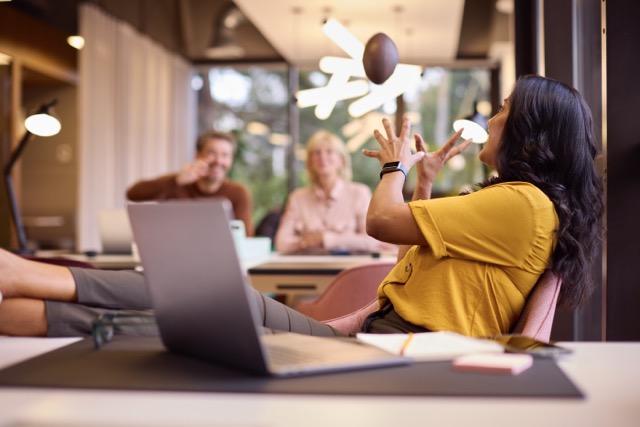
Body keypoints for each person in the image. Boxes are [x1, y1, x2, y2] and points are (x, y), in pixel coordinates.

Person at [0, 75, 602, 338]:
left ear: (528, 132)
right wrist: (423, 185)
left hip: (388, 350)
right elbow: (413, 263)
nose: (490, 117)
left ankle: (23, 280)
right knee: (194, 306)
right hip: (373, 336)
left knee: (205, 299)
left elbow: (379, 223)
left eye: (501, 109)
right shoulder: (520, 206)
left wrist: (394, 166)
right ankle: (23, 307)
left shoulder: (523, 206)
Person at [275, 130, 393, 254]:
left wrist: (324, 239)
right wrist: (306, 242)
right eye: (316, 153)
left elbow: (370, 241)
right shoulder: (297, 197)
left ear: (342, 160)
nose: (322, 157)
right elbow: (282, 243)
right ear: (310, 162)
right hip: (307, 269)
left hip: (348, 268)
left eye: (329, 152)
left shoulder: (359, 193)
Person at [126, 130, 254, 236]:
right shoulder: (176, 182)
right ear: (198, 155)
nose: (219, 161)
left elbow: (247, 237)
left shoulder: (238, 192)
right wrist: (175, 181)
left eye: (225, 155)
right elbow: (133, 194)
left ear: (231, 160)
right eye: (212, 153)